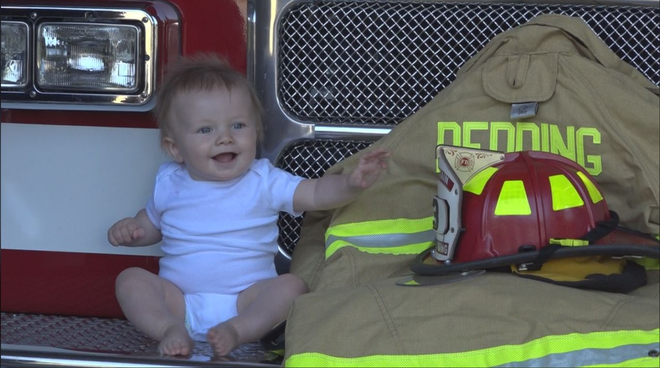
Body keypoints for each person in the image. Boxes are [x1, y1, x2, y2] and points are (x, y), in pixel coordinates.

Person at [107, 54, 390, 357]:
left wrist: (350, 183)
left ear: (256, 131)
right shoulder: (169, 183)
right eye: (206, 130)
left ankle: (237, 331)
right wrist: (133, 230)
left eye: (238, 125)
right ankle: (168, 328)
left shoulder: (263, 180)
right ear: (175, 148)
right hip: (180, 301)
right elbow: (152, 226)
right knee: (130, 280)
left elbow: (316, 192)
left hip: (247, 301)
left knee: (291, 287)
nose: (225, 138)